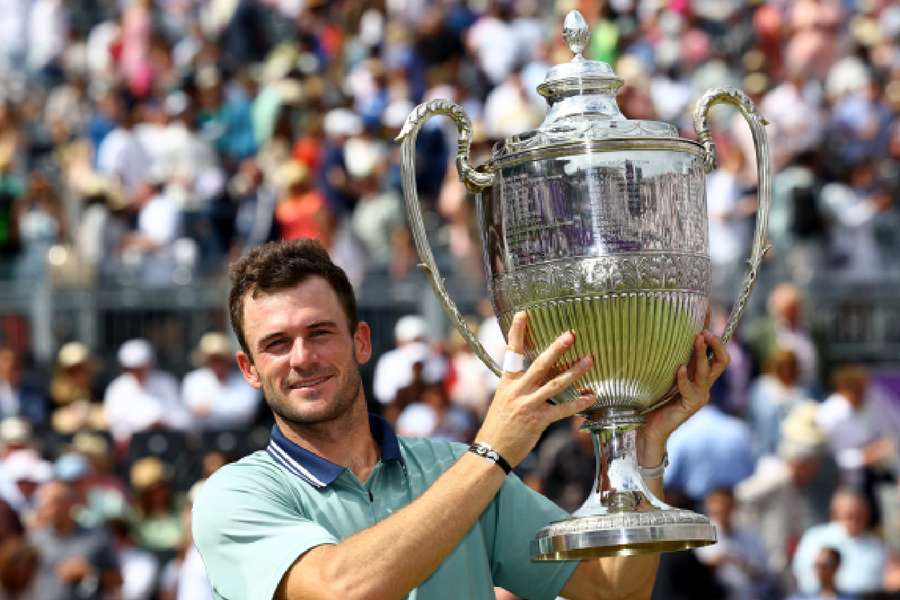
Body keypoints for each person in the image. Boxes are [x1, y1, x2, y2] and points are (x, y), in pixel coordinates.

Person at [192, 239, 730, 599]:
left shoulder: (453, 467)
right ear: (250, 369)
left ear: (360, 341)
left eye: (320, 333)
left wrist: (639, 451)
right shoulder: (236, 495)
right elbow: (342, 591)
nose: (302, 357)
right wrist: (492, 452)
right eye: (277, 344)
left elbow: (614, 588)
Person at [792, 488, 887, 596]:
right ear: (836, 514)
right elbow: (804, 576)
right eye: (849, 516)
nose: (854, 521)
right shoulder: (815, 538)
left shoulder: (877, 546)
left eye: (859, 515)